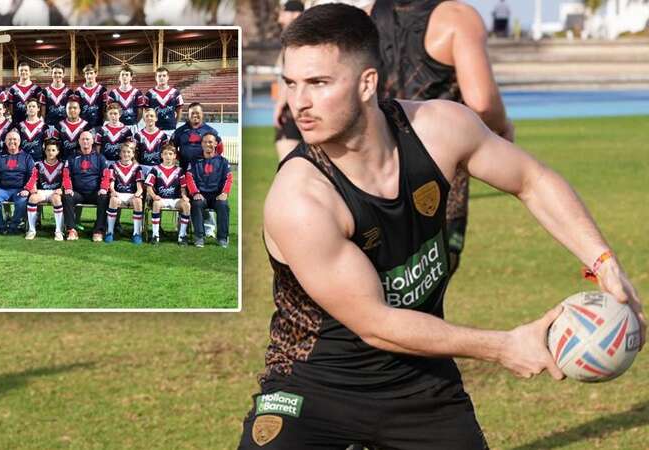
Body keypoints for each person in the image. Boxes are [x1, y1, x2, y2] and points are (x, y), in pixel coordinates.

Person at [238, 5, 645, 449]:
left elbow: (533, 181)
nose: (299, 101)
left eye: (318, 83)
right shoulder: (300, 200)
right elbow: (376, 323)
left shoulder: (440, 129)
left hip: (421, 385)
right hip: (314, 387)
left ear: (367, 83)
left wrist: (601, 261)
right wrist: (505, 345)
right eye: (292, 82)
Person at [368, 0, 514, 276]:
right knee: (426, 283)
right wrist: (503, 127)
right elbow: (482, 103)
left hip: (376, 168)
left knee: (379, 286)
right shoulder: (457, 18)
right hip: (439, 169)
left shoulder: (366, 17)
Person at [60, 131, 110, 241]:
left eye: (87, 139)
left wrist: (103, 188)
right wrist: (68, 188)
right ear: (79, 141)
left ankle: (98, 230)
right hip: (78, 193)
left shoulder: (100, 157)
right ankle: (71, 230)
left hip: (94, 193)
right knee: (66, 196)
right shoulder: (72, 158)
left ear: (92, 141)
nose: (85, 141)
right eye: (82, 139)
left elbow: (106, 175)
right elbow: (66, 174)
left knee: (104, 197)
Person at [185, 133, 231, 248]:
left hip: (217, 196)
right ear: (201, 144)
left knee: (223, 205)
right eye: (205, 142)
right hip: (201, 195)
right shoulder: (195, 161)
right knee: (196, 204)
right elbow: (189, 177)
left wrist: (224, 193)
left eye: (210, 142)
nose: (207, 144)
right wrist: (195, 193)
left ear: (216, 143)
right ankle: (199, 237)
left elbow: (228, 178)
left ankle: (222, 238)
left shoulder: (223, 161)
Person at [272, 0, 305, 159]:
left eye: (283, 12)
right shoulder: (293, 40)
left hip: (291, 109)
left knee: (287, 162)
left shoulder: (295, 41)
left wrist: (280, 104)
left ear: (294, 14)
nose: (279, 17)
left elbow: (289, 76)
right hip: (297, 106)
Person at [0, 130, 34, 234]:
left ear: (20, 141)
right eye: (9, 139)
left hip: (20, 189)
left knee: (22, 201)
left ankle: (14, 225)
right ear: (5, 141)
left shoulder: (27, 157)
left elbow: (33, 174)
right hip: (2, 189)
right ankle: (1, 225)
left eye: (15, 139)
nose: (12, 141)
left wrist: (27, 189)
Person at [145, 143, 190, 246]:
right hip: (161, 199)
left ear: (175, 156)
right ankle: (155, 236)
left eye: (170, 154)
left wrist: (184, 196)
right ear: (161, 155)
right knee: (156, 204)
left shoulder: (179, 171)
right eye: (165, 154)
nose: (168, 156)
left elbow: (183, 188)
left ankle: (182, 236)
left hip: (175, 199)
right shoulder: (155, 169)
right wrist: (153, 196)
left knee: (186, 205)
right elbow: (148, 187)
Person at [103, 140, 144, 244]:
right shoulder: (113, 166)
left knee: (138, 202)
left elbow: (140, 188)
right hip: (119, 193)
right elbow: (111, 185)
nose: (126, 154)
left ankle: (136, 233)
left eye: (129, 152)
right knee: (113, 200)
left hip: (131, 194)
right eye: (124, 152)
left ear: (133, 154)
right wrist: (113, 191)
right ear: (120, 153)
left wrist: (137, 195)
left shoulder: (137, 168)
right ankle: (110, 232)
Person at [24, 139, 65, 241]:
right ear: (45, 151)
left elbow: (67, 179)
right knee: (32, 198)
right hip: (42, 191)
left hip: (55, 191)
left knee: (57, 200)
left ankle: (59, 231)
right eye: (48, 150)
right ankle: (32, 230)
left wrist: (62, 188)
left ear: (58, 151)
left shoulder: (63, 165)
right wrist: (32, 187)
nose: (50, 152)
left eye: (53, 150)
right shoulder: (38, 164)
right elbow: (33, 177)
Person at [171, 102, 223, 173]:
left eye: (197, 113)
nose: (195, 115)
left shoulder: (210, 131)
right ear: (188, 115)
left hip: (204, 171)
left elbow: (219, 146)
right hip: (184, 169)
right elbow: (171, 147)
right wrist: (179, 158)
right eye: (192, 113)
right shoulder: (179, 131)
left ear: (202, 114)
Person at [144, 66, 184, 137]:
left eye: (164, 75)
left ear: (168, 77)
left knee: (170, 148)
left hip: (170, 129)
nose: (162, 78)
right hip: (154, 129)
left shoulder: (175, 93)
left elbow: (179, 110)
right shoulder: (149, 94)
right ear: (156, 78)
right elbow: (146, 111)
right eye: (159, 76)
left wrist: (175, 123)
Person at [107, 64, 145, 135]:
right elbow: (109, 110)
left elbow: (140, 111)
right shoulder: (113, 93)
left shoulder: (137, 92)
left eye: (127, 75)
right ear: (119, 77)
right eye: (122, 75)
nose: (124, 77)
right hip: (117, 126)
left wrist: (135, 122)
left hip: (132, 126)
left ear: (131, 77)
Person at [136, 108, 169, 177]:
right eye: (147, 116)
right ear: (144, 119)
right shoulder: (138, 135)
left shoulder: (163, 135)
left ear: (156, 118)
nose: (149, 118)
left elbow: (166, 153)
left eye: (151, 116)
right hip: (143, 167)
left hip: (158, 167)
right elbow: (134, 153)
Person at [56, 96, 91, 160]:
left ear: (79, 110)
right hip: (63, 160)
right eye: (69, 108)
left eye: (75, 108)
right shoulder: (59, 125)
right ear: (65, 109)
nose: (72, 110)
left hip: (81, 161)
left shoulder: (86, 125)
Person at [76, 64, 107, 129]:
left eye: (91, 73)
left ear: (95, 74)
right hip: (83, 125)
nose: (89, 76)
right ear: (84, 75)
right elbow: (76, 109)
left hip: (98, 125)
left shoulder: (102, 90)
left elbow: (105, 108)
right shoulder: (78, 91)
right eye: (87, 73)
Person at [40, 64, 71, 128]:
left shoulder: (69, 92)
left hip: (64, 126)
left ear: (63, 75)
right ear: (52, 74)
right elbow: (43, 113)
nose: (57, 75)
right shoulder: (45, 91)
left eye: (60, 73)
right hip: (49, 125)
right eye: (55, 73)